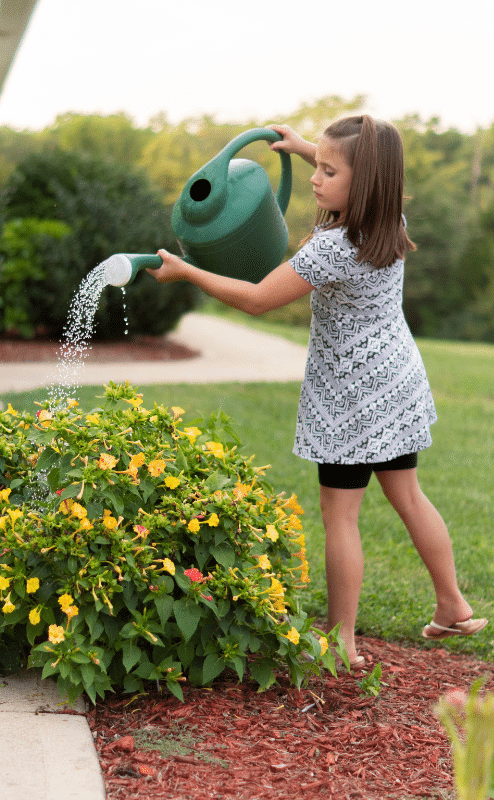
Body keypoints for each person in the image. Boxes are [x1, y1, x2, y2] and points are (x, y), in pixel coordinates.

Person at [147, 115, 487, 670]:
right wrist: (306, 148)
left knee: (341, 515)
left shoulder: (333, 247)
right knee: (408, 495)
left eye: (329, 171)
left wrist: (188, 272)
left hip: (352, 396)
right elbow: (361, 175)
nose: (315, 178)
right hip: (395, 382)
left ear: (361, 183)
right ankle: (452, 603)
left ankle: (343, 638)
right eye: (318, 166)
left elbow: (258, 298)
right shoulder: (389, 222)